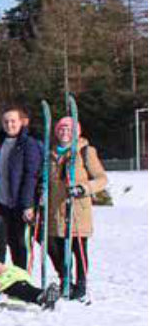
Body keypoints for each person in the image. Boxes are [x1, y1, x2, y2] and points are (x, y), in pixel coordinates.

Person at [46, 117, 106, 303]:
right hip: (56, 210)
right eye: (61, 129)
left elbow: (102, 179)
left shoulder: (85, 151)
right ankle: (65, 278)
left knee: (78, 249)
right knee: (53, 246)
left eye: (69, 129)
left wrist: (83, 188)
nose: (65, 132)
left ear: (76, 132)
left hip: (77, 209)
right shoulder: (51, 153)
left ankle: (80, 284)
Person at [0, 106, 43, 270]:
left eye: (13, 121)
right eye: (6, 121)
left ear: (21, 122)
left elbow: (30, 175)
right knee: (2, 241)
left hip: (19, 203)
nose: (9, 125)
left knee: (19, 242)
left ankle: (21, 277)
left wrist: (27, 205)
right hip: (1, 201)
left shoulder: (28, 143)